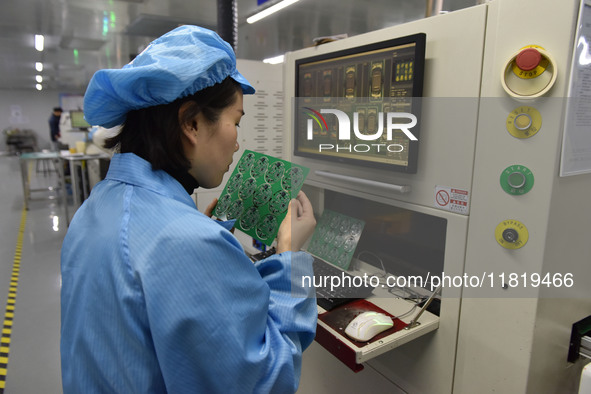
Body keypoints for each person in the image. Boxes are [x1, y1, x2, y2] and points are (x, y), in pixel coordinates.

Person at [60, 25, 318, 393]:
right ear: (192, 123)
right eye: (236, 122)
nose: (237, 141)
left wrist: (203, 241)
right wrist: (289, 258)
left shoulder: (97, 206)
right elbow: (266, 380)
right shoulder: (187, 242)